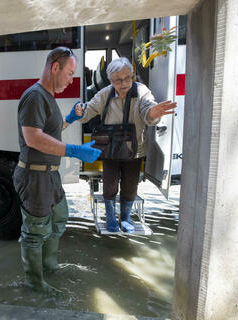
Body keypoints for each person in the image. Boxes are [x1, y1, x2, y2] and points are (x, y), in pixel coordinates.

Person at [13, 47, 101, 294]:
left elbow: (50, 130)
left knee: (60, 217)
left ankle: (49, 267)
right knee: (35, 231)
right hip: (34, 176)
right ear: (55, 67)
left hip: (49, 174)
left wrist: (70, 119)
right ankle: (33, 283)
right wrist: (74, 150)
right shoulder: (34, 96)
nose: (71, 79)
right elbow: (33, 138)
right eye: (70, 73)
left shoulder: (47, 97)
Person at [64, 57, 176, 233]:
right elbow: (89, 111)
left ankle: (125, 218)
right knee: (109, 185)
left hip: (135, 149)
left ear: (132, 76)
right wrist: (80, 112)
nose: (124, 83)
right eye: (118, 80)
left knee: (130, 185)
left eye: (127, 78)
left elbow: (148, 109)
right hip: (111, 149)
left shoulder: (141, 91)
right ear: (110, 80)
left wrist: (154, 113)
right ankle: (110, 218)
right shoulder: (105, 93)